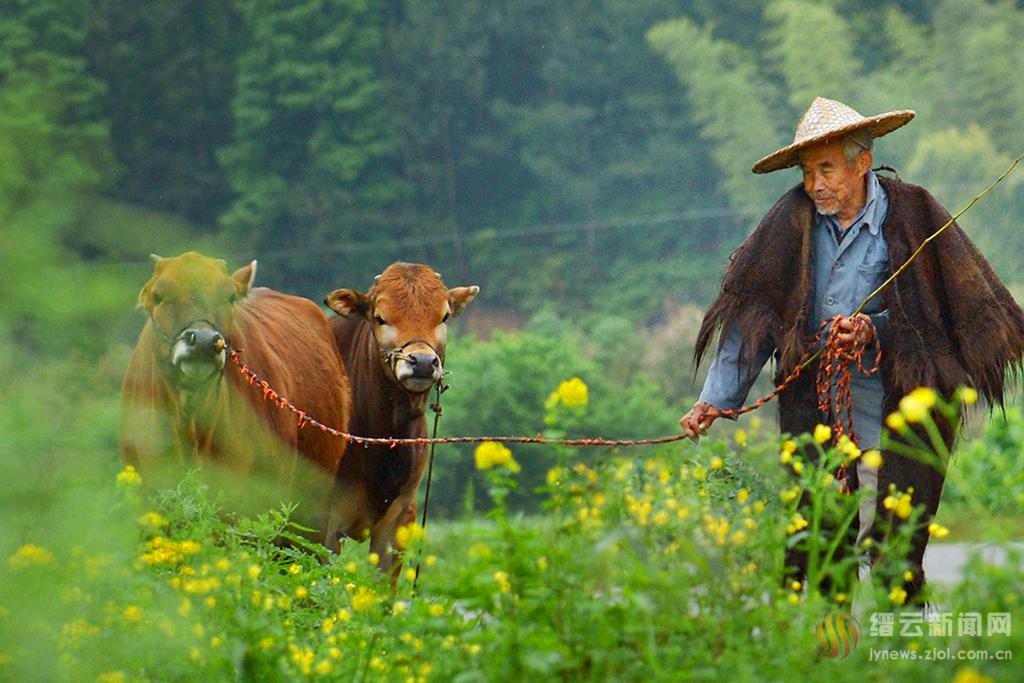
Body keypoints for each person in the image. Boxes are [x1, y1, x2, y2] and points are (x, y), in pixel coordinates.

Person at [680, 96, 1024, 603]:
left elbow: (938, 312)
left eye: (826, 169)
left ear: (862, 162)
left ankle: (898, 645)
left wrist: (874, 329)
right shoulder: (790, 223)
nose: (815, 184)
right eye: (806, 172)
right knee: (821, 547)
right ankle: (831, 646)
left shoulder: (914, 214)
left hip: (897, 415)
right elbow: (756, 316)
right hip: (816, 415)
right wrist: (714, 399)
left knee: (894, 556)